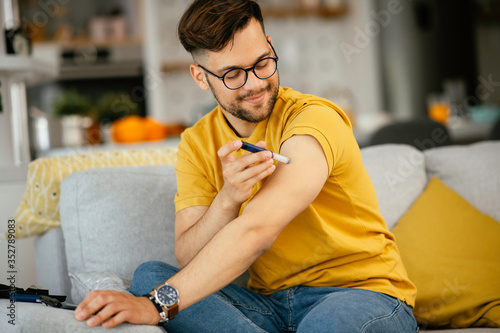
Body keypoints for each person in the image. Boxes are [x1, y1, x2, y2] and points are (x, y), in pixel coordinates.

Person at [74, 1, 418, 332]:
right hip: (271, 305)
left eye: (262, 62)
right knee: (150, 277)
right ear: (200, 76)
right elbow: (188, 257)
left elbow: (257, 232)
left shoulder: (314, 119)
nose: (254, 83)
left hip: (362, 296)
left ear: (270, 45)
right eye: (233, 74)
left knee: (324, 325)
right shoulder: (197, 142)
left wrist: (157, 306)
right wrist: (228, 198)